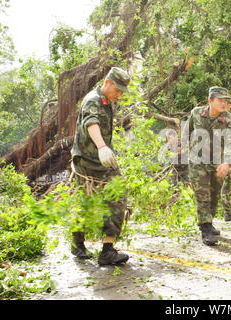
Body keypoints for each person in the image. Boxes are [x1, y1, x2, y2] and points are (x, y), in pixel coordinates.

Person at [70, 67, 131, 266]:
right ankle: (78, 243)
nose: (119, 94)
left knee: (118, 196)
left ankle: (107, 251)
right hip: (86, 162)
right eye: (118, 89)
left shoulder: (108, 102)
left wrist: (107, 150)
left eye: (123, 91)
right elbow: (91, 123)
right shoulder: (93, 100)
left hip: (105, 163)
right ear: (107, 82)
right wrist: (102, 146)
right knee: (85, 205)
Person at [185, 86, 231, 246]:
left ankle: (209, 221)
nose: (224, 103)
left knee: (215, 194)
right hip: (197, 160)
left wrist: (227, 162)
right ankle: (205, 228)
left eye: (226, 100)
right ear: (210, 101)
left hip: (218, 162)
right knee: (202, 195)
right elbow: (187, 130)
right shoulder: (196, 113)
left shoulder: (229, 119)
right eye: (220, 100)